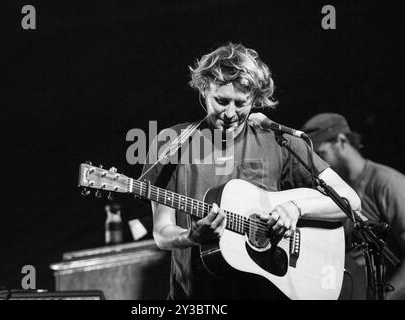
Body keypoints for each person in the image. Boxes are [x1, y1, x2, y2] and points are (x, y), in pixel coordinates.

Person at [141, 43, 361, 300]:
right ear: (204, 90)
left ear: (255, 99)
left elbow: (351, 201)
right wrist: (191, 236)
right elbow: (161, 233)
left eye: (241, 103)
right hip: (197, 298)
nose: (230, 113)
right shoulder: (171, 144)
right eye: (221, 101)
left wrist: (296, 207)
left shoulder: (279, 142)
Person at [301, 113, 405, 300]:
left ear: (341, 141)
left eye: (321, 154)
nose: (318, 163)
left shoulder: (387, 183)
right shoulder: (329, 190)